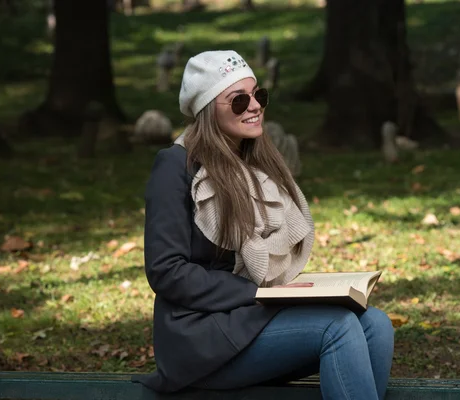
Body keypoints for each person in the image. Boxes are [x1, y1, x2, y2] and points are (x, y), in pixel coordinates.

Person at [131, 50, 394, 399]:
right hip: (199, 338)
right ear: (209, 108)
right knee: (339, 327)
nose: (254, 105)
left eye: (258, 95)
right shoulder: (174, 166)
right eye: (238, 100)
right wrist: (257, 293)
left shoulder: (251, 161)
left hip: (253, 318)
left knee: (377, 324)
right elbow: (166, 271)